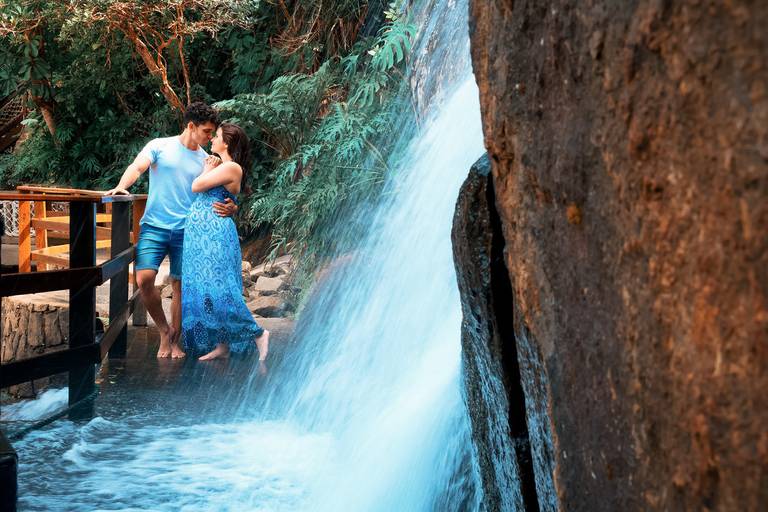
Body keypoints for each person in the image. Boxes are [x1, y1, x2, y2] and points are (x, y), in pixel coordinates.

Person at [105, 102, 237, 358]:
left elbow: (222, 191)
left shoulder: (207, 160)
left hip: (188, 230)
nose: (210, 137)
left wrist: (232, 207)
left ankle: (174, 340)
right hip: (154, 226)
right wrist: (122, 186)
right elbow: (137, 167)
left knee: (179, 286)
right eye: (207, 131)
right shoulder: (159, 146)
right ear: (191, 126)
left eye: (212, 133)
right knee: (143, 280)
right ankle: (164, 330)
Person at [180, 123, 270, 361]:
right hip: (201, 236)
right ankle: (222, 345)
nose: (212, 139)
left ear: (227, 143)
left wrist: (206, 168)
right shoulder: (222, 165)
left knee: (221, 290)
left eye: (216, 136)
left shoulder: (231, 167)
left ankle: (258, 334)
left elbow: (197, 186)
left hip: (215, 236)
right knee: (206, 290)